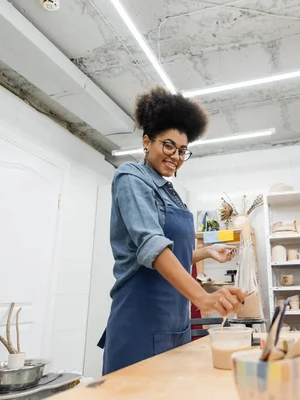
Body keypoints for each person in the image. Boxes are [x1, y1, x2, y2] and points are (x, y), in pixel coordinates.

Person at [98, 87, 247, 374]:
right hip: (141, 317)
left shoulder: (170, 192)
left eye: (182, 150)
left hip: (175, 322)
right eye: (168, 146)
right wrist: (203, 297)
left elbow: (172, 253)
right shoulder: (131, 177)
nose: (176, 156)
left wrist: (206, 252)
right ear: (146, 141)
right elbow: (152, 247)